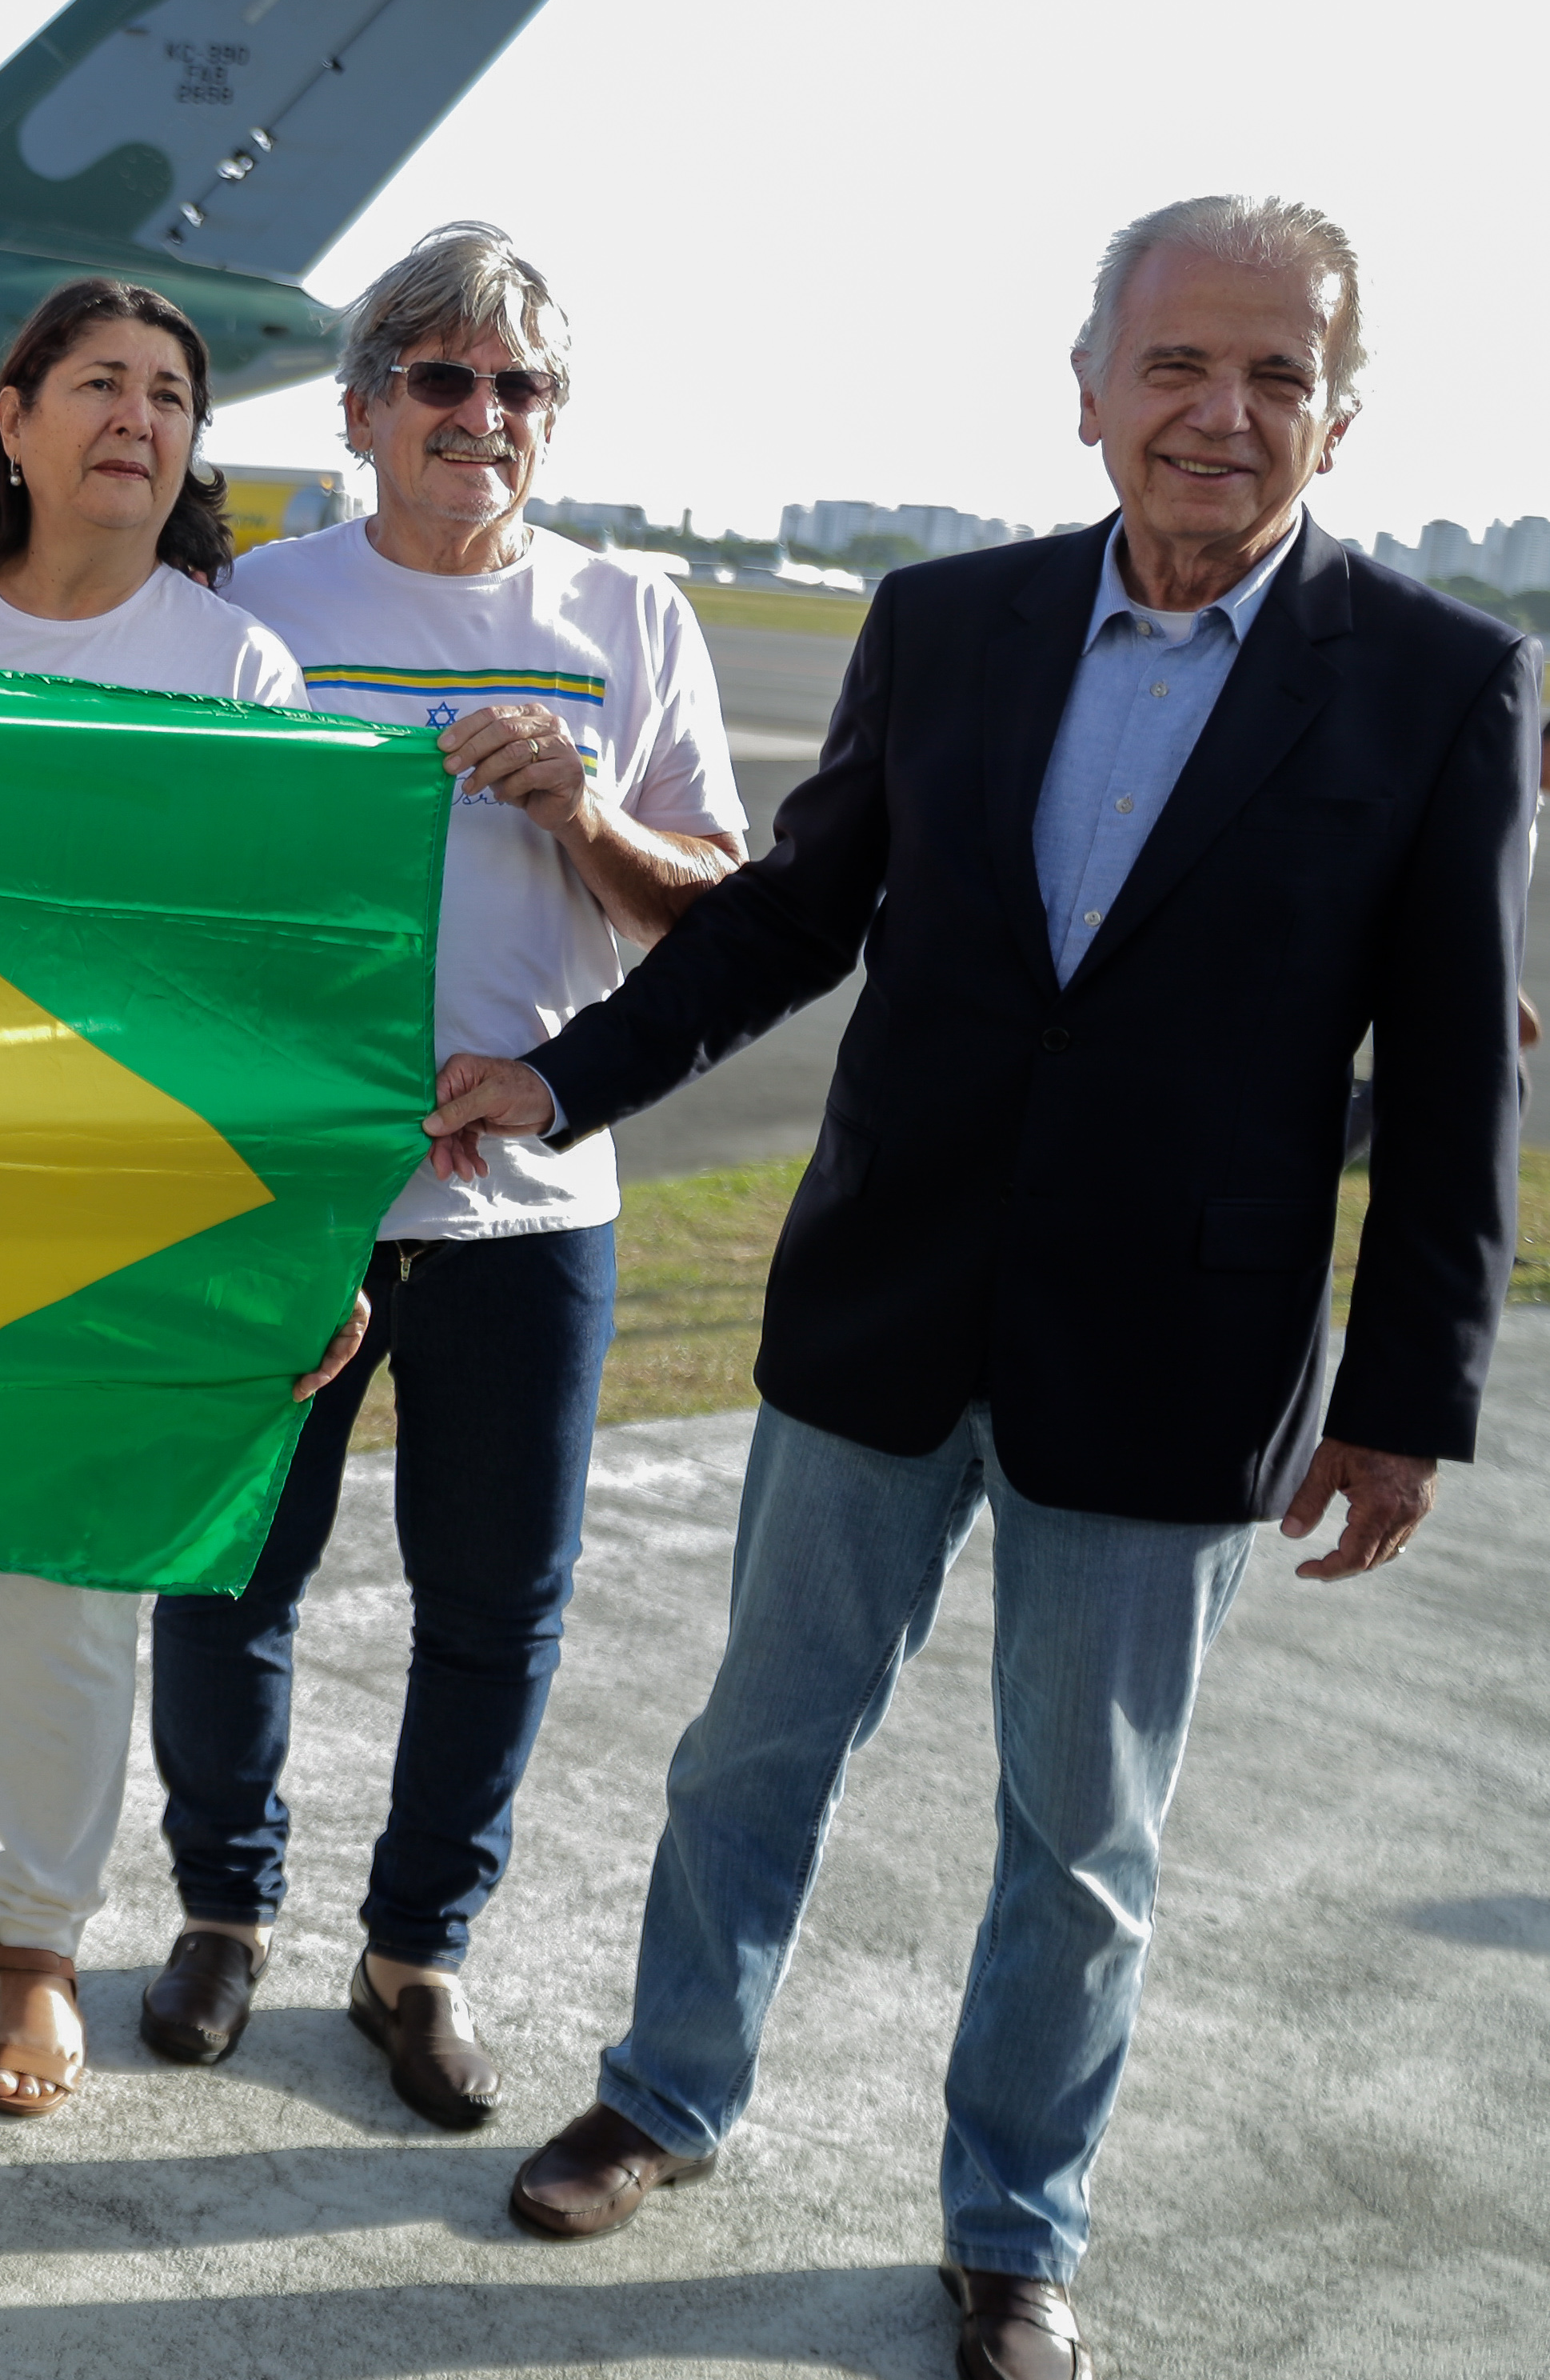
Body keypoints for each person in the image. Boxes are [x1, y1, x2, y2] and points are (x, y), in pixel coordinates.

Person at [445, 198, 1534, 2380]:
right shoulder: (943, 625)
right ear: (1089, 386)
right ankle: (666, 2094)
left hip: (1180, 1354)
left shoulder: (1435, 681)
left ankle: (1014, 2225)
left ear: (1336, 411)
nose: (1219, 416)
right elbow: (783, 921)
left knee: (1086, 1837)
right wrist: (559, 1079)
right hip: (883, 1306)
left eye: (1275, 378)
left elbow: (1451, 1066)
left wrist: (1406, 1390)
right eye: (1174, 367)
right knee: (754, 1747)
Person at [155, 225, 741, 2130]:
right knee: (234, 1568)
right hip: (299, 1184)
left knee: (492, 1602)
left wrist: (584, 807)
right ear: (359, 405)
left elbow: (716, 923)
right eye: (438, 379)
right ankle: (221, 1912)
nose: (478, 416)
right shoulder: (257, 599)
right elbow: (188, 902)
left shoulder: (629, 618)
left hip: (531, 1201)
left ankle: (417, 1956)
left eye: (516, 389)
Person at [0, 279, 354, 2116]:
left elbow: (279, 983)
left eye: (172, 394)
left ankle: (34, 1942)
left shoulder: (235, 669)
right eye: (98, 382)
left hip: (124, 1189)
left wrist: (295, 1251)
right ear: (14, 419)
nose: (138, 415)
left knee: (72, 1585)